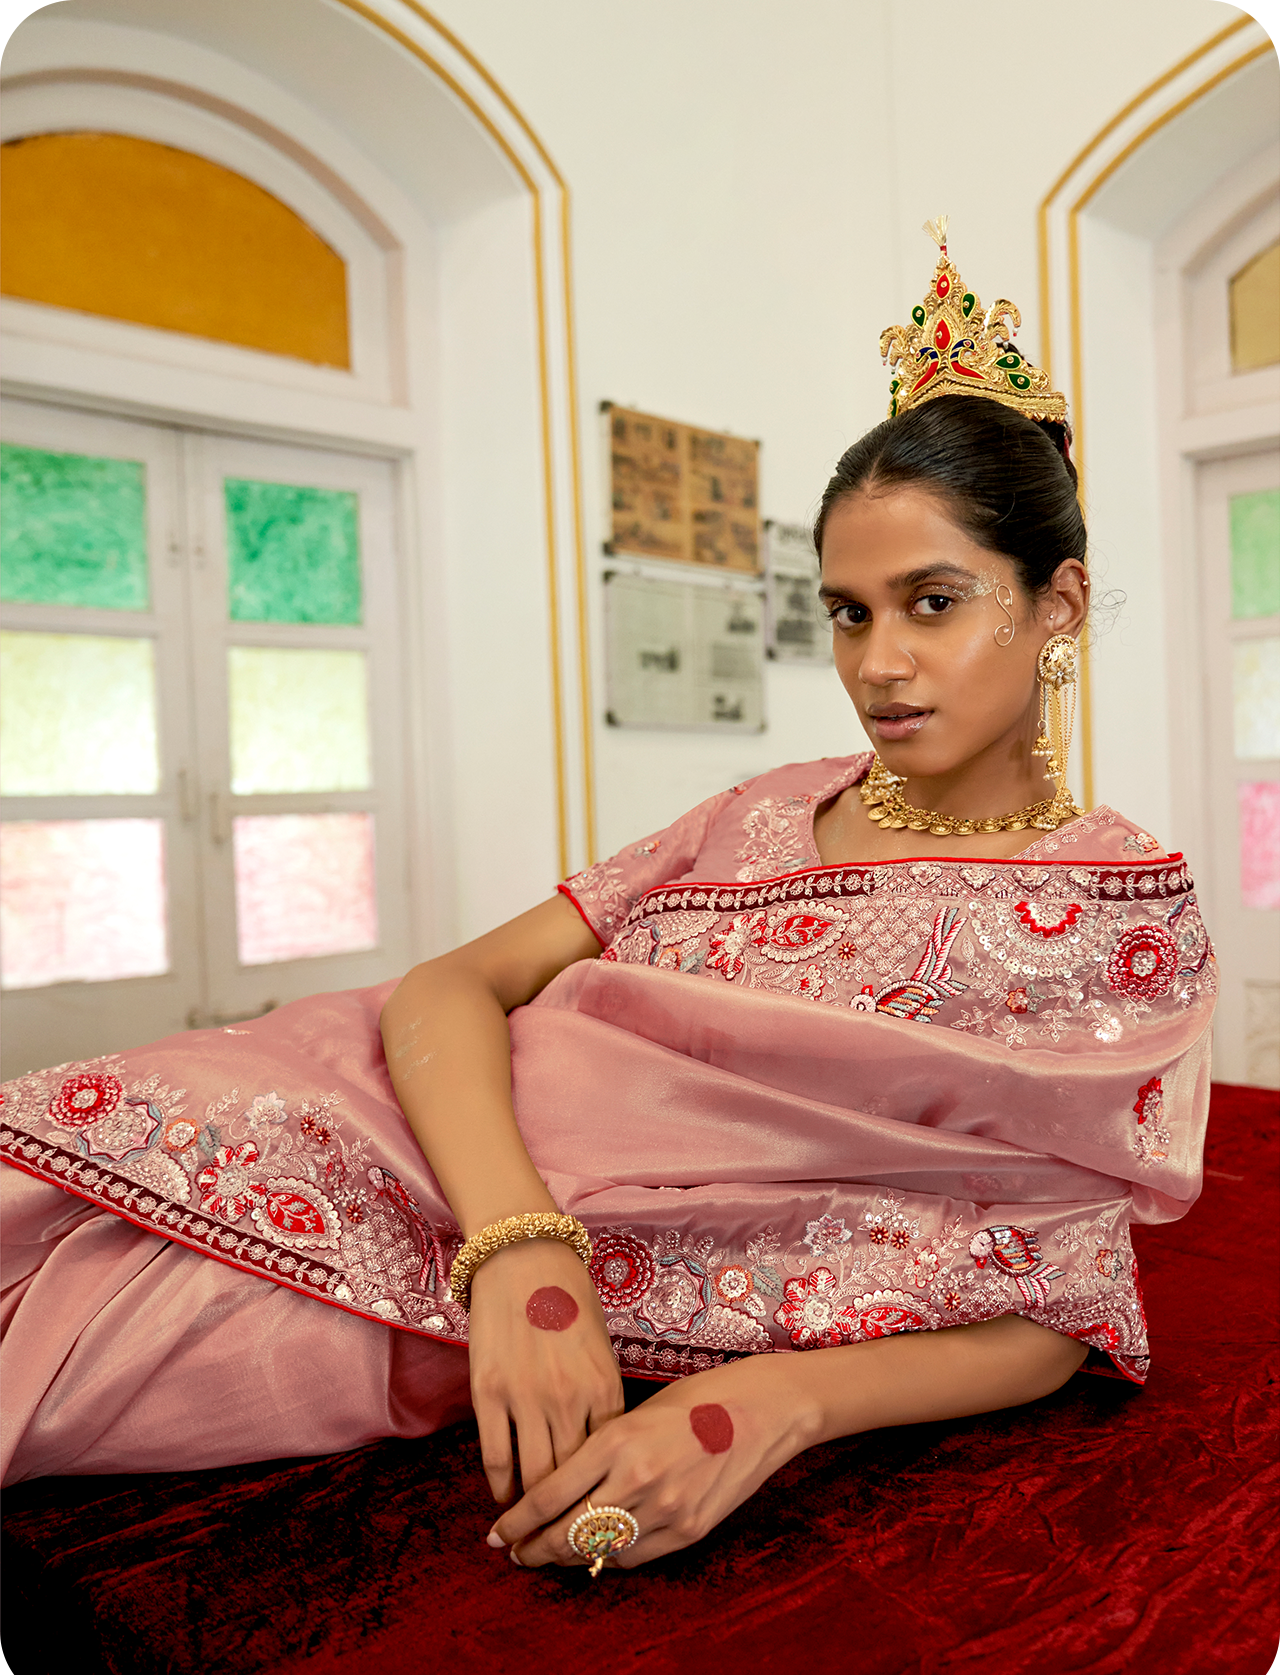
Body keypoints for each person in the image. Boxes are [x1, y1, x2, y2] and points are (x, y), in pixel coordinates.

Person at [0, 229, 1213, 1578]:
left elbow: (1059, 1286)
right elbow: (448, 988)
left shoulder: (1114, 909)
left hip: (425, 1300)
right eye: (848, 613)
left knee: (57, 1364)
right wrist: (524, 1253)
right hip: (383, 1128)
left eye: (931, 602)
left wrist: (770, 1403)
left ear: (1059, 605)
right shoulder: (759, 809)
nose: (879, 662)